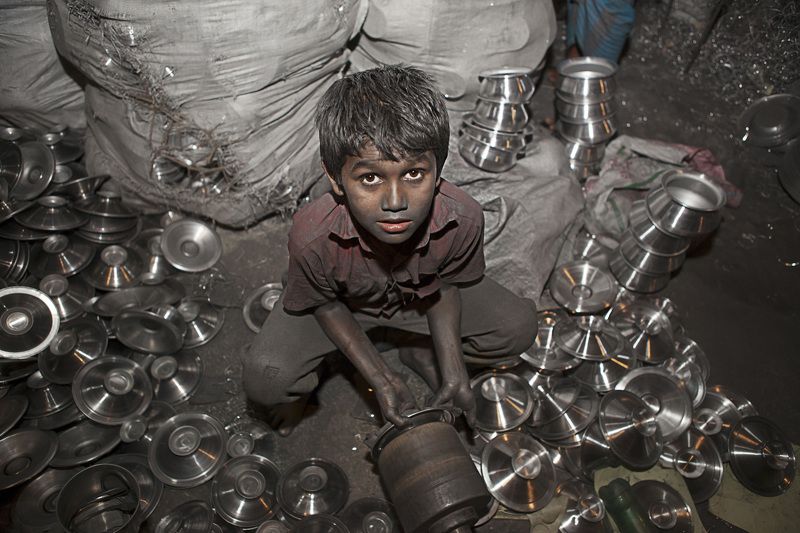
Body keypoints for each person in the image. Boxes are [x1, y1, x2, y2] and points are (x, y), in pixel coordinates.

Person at [243, 65, 537, 434]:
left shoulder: (462, 217)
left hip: (418, 301)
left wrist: (453, 367)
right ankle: (323, 374)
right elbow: (326, 304)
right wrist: (381, 378)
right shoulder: (312, 234)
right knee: (265, 379)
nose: (396, 201)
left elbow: (446, 288)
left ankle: (419, 350)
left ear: (439, 169)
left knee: (518, 327)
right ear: (335, 180)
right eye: (370, 178)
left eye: (414, 173)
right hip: (342, 307)